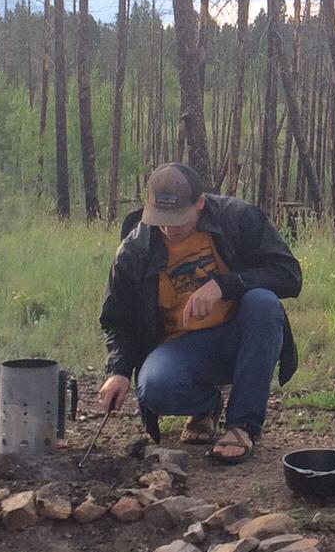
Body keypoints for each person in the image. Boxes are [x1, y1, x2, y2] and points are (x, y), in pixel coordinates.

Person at [97, 162, 302, 464]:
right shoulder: (134, 250)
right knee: (155, 387)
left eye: (178, 219)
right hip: (181, 348)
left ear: (201, 203)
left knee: (264, 303)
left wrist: (223, 285)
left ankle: (242, 425)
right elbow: (119, 320)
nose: (169, 228)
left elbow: (288, 275)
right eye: (161, 219)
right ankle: (206, 406)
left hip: (240, 337)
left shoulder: (237, 218)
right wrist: (119, 370)